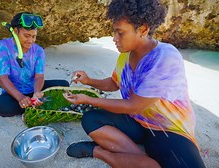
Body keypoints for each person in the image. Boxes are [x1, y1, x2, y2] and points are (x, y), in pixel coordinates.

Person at [63, 0, 206, 168]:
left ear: (143, 30)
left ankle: (102, 153)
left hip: (168, 130)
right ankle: (141, 158)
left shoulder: (165, 57)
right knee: (91, 119)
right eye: (114, 32)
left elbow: (133, 106)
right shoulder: (125, 56)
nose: (114, 38)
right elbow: (113, 83)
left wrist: (88, 99)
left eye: (120, 33)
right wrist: (88, 81)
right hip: (138, 123)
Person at [0, 12, 69, 117]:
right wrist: (20, 97)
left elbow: (39, 77)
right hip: (14, 93)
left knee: (64, 84)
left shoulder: (38, 51)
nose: (31, 40)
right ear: (15, 31)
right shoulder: (2, 47)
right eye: (26, 36)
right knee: (0, 106)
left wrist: (37, 92)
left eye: (34, 36)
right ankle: (34, 104)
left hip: (33, 88)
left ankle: (33, 103)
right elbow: (3, 79)